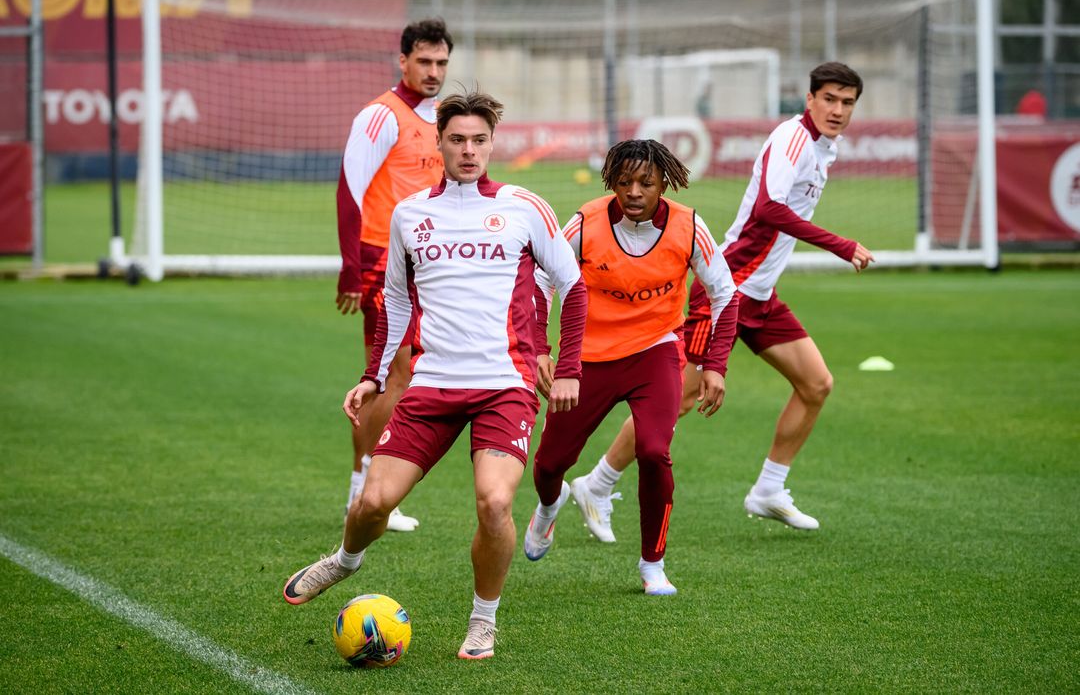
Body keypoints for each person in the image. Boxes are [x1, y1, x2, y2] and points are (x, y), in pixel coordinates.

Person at [285, 91, 588, 661]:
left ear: (492, 144)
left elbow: (572, 286)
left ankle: (482, 620)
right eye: (457, 140)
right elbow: (397, 303)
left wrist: (567, 366)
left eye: (479, 140)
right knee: (374, 503)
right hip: (432, 384)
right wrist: (374, 376)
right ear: (439, 143)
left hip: (506, 384)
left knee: (495, 504)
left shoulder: (526, 207)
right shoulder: (411, 214)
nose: (469, 151)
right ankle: (346, 559)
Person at [573, 63, 875, 538]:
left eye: (847, 102)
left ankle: (769, 489)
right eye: (830, 99)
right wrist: (841, 245)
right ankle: (597, 482)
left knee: (816, 384)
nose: (838, 110)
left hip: (760, 295)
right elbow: (770, 208)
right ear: (810, 98)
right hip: (728, 288)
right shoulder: (791, 139)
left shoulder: (823, 147)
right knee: (681, 399)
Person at [522, 139, 739, 596]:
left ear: (665, 183)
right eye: (624, 183)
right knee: (547, 466)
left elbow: (725, 294)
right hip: (587, 356)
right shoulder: (585, 222)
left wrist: (715, 365)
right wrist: (541, 348)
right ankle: (548, 508)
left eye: (646, 182)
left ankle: (652, 564)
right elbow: (541, 276)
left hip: (655, 352)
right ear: (611, 184)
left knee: (655, 452)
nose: (634, 192)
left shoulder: (690, 225)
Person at [335, 18, 454, 532]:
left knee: (396, 373)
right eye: (424, 61)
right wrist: (350, 266)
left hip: (422, 263)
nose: (433, 72)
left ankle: (365, 489)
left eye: (441, 63)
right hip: (382, 261)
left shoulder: (439, 117)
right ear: (402, 60)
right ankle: (369, 489)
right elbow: (349, 190)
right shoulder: (380, 116)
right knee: (397, 373)